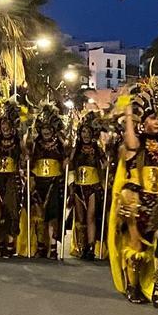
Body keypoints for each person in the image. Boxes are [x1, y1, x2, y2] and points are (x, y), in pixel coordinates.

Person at [107, 78, 158, 310]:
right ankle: (133, 287)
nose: (157, 122)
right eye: (152, 118)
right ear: (144, 122)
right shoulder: (135, 144)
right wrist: (129, 113)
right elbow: (129, 141)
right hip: (137, 202)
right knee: (137, 247)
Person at [28, 102, 67, 260]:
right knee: (39, 216)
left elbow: (66, 157)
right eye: (43, 128)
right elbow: (28, 160)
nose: (46, 131)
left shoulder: (60, 144)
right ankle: (40, 246)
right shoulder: (35, 144)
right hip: (38, 183)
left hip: (54, 183)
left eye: (49, 128)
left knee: (52, 216)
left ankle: (53, 248)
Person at [68, 110, 107, 261]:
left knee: (91, 217)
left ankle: (91, 247)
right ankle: (82, 246)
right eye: (83, 131)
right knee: (80, 218)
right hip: (78, 187)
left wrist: (106, 163)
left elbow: (104, 165)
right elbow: (70, 166)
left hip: (93, 186)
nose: (85, 135)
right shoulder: (76, 149)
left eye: (88, 132)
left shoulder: (97, 149)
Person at [0, 99, 24, 258]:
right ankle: (1, 242)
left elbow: (25, 157)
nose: (5, 127)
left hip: (12, 179)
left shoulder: (18, 141)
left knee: (11, 211)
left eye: (7, 124)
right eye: (2, 124)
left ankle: (10, 244)